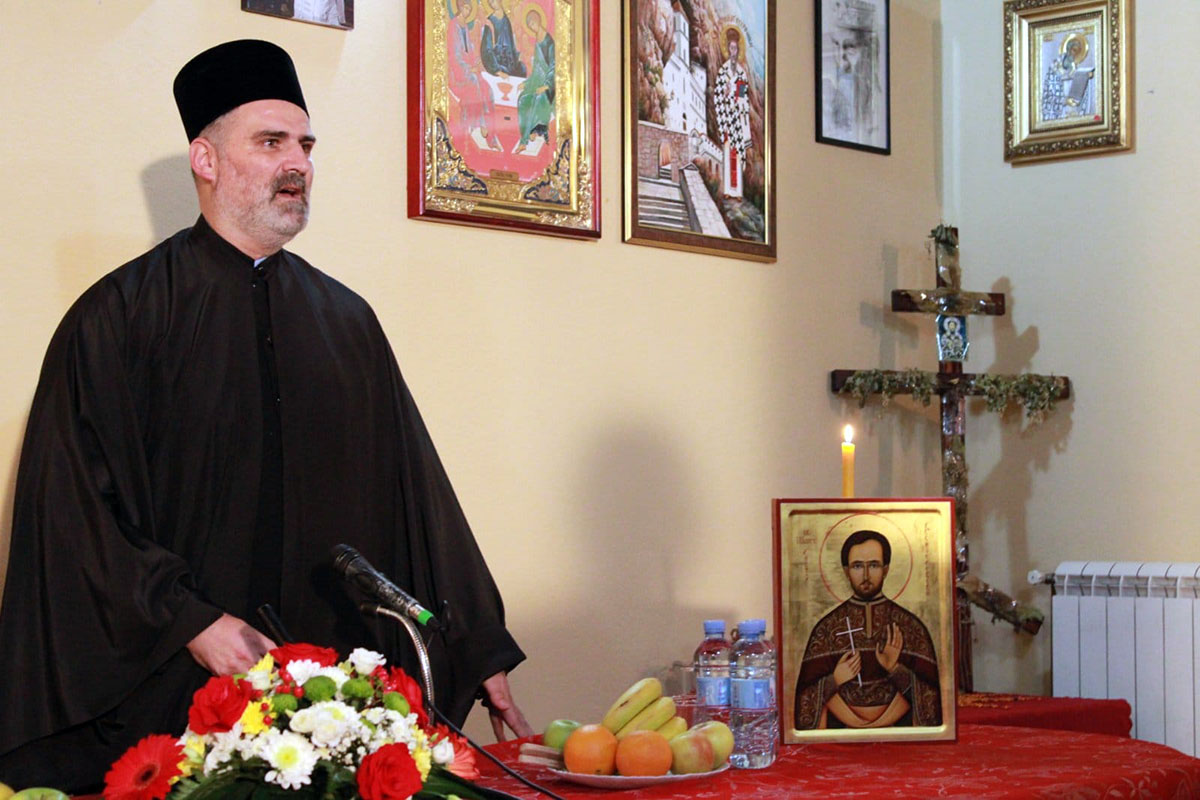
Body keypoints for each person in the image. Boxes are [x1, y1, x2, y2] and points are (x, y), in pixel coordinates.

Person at [0, 39, 531, 792]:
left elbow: (415, 492)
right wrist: (190, 621)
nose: (297, 165)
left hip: (327, 704)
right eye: (271, 142)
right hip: (174, 697)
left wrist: (477, 645)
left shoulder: (345, 320)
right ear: (206, 160)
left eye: (305, 146)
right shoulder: (120, 316)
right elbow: (72, 512)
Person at [793, 530, 942, 729]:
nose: (865, 575)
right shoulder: (827, 628)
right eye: (857, 566)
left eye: (873, 565)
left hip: (898, 736)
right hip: (840, 736)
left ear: (886, 569)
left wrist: (895, 669)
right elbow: (802, 701)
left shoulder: (910, 626)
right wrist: (834, 680)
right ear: (846, 571)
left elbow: (934, 701)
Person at [713, 27, 752, 199]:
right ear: (728, 49)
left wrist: (736, 94)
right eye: (731, 48)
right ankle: (729, 190)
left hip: (737, 118)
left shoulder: (742, 73)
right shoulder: (723, 71)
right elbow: (718, 94)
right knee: (728, 154)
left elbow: (743, 96)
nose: (733, 51)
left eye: (736, 48)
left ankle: (738, 192)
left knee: (738, 154)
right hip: (727, 118)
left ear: (738, 50)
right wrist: (726, 92)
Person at [514, 6, 554, 156]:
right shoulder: (538, 42)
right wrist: (527, 83)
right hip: (537, 81)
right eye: (530, 26)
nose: (532, 27)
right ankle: (529, 133)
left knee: (538, 98)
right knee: (523, 99)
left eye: (533, 24)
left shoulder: (549, 42)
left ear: (538, 21)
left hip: (550, 86)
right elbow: (537, 68)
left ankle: (525, 139)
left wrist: (546, 86)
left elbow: (554, 67)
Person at [479, 0, 526, 78]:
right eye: (490, 3)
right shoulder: (490, 22)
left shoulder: (507, 20)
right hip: (498, 63)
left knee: (522, 69)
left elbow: (511, 43)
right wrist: (497, 71)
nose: (492, 5)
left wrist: (517, 56)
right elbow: (486, 49)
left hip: (510, 62)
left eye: (493, 1)